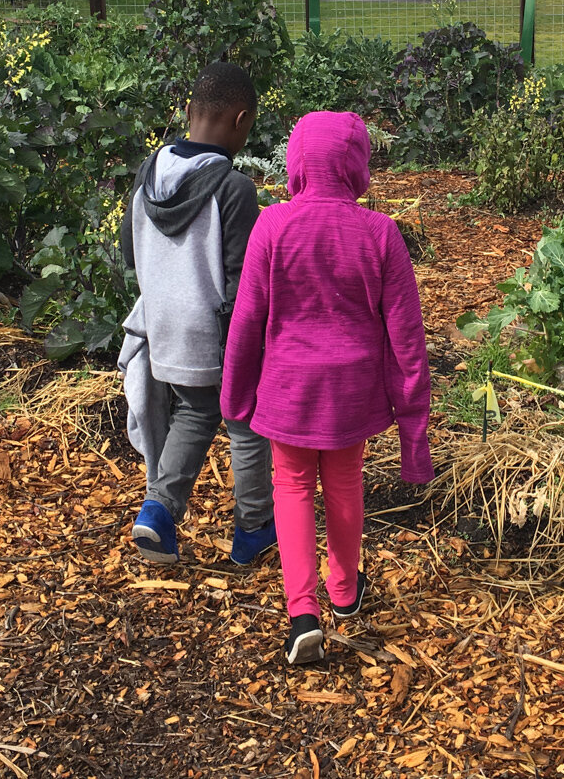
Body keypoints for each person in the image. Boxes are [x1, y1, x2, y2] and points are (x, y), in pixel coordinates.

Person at [221, 111, 433, 665]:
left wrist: (236, 393)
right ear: (356, 165)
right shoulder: (380, 232)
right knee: (344, 483)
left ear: (297, 162)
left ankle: (302, 612)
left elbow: (247, 320)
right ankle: (344, 592)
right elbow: (406, 337)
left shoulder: (272, 225)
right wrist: (414, 425)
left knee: (290, 486)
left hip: (287, 388)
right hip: (352, 393)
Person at [118, 61, 276, 567]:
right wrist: (250, 346)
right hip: (218, 331)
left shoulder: (146, 179)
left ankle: (159, 512)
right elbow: (241, 279)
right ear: (243, 121)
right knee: (245, 423)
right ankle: (253, 530)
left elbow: (127, 253)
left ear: (188, 112)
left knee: (195, 411)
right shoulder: (233, 189)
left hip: (165, 331)